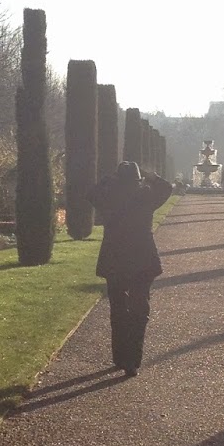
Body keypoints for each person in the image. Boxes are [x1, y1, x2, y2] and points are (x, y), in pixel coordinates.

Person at [88, 160, 173, 376]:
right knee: (139, 309)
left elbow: (91, 194)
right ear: (138, 179)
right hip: (142, 257)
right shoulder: (146, 195)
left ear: (117, 179)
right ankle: (132, 360)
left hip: (114, 257)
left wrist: (106, 180)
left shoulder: (109, 197)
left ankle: (119, 357)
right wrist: (152, 177)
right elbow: (167, 188)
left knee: (118, 308)